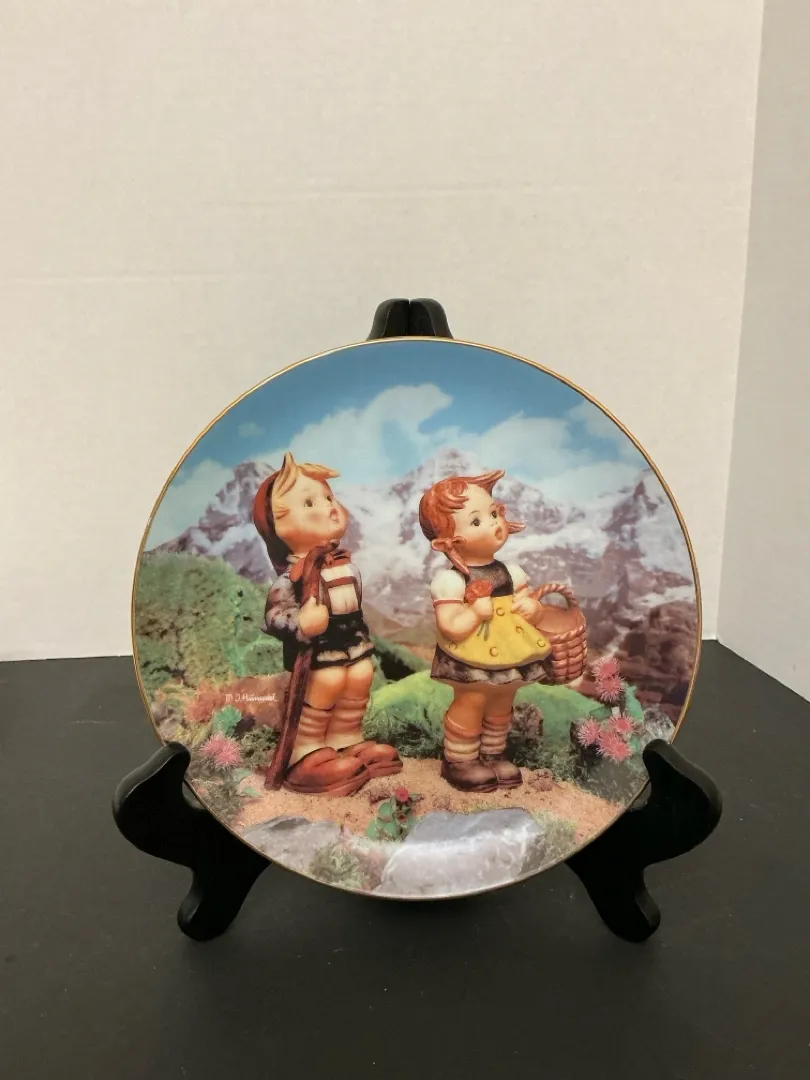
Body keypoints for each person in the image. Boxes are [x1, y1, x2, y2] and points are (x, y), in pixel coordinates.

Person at [253, 452, 402, 795]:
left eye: (328, 497)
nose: (329, 507)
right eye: (310, 502)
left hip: (353, 641)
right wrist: (301, 622)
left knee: (359, 678)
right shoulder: (293, 575)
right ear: (279, 525)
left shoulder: (345, 565)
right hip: (319, 649)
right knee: (326, 683)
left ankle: (347, 741)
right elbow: (275, 614)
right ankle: (306, 753)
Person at [418, 469, 554, 793]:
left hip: (509, 651)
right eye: (477, 521)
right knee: (473, 698)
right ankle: (460, 759)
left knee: (503, 699)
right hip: (471, 655)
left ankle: (494, 753)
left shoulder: (511, 572)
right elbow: (450, 626)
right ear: (446, 542)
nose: (495, 523)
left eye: (494, 513)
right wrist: (474, 613)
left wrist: (533, 609)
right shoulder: (451, 580)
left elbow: (533, 607)